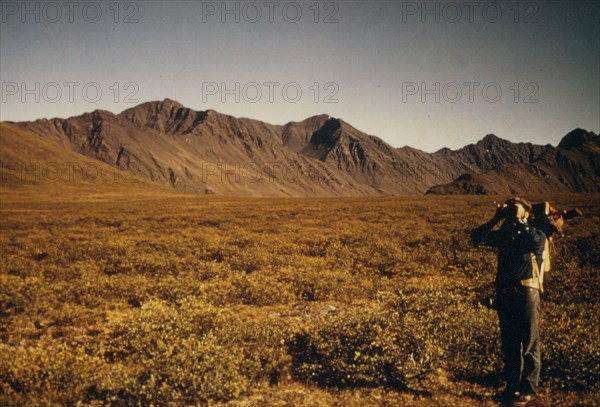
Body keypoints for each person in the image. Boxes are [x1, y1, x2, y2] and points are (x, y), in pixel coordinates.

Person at [471, 197, 546, 407]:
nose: (512, 213)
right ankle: (511, 387)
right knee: (511, 344)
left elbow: (538, 242)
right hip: (506, 294)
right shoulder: (505, 236)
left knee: (529, 342)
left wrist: (521, 221)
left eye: (516, 208)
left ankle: (529, 390)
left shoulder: (533, 232)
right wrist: (496, 219)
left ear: (528, 213)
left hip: (527, 291)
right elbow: (477, 238)